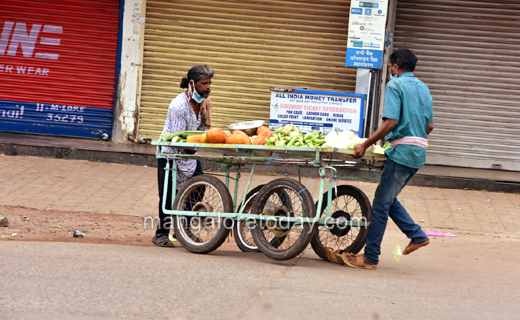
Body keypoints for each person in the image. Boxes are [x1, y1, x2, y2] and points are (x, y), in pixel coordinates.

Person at [341, 49, 434, 269]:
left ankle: (371, 258)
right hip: (418, 154)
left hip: (402, 154)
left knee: (381, 204)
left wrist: (365, 144)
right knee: (387, 199)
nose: (389, 71)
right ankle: (417, 235)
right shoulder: (423, 88)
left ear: (395, 66)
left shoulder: (395, 85)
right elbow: (429, 126)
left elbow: (391, 122)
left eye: (390, 67)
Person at [152, 65, 214, 247]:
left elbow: (202, 133)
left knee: (197, 189)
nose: (208, 87)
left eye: (210, 83)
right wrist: (197, 144)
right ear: (192, 84)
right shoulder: (178, 106)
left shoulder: (204, 102)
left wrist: (207, 122)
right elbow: (178, 142)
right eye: (204, 84)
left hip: (190, 154)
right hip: (170, 155)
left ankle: (182, 231)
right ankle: (161, 234)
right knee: (167, 196)